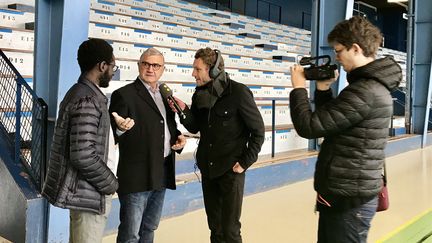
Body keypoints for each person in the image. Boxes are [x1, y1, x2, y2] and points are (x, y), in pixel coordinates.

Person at [289, 16, 402, 243]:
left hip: (349, 196)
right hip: (350, 189)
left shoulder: (364, 92)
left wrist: (298, 89)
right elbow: (331, 124)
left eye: (339, 51)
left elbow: (309, 126)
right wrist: (323, 91)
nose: (337, 57)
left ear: (356, 48)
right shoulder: (367, 87)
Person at [170, 47, 265, 243]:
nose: (193, 73)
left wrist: (245, 162)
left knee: (230, 231)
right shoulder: (200, 95)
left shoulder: (238, 93)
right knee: (215, 228)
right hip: (208, 169)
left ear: (212, 70)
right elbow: (195, 127)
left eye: (197, 69)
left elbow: (258, 132)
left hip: (231, 171)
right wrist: (183, 110)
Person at [41, 38, 119, 243]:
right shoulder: (87, 99)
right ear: (102, 66)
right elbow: (83, 154)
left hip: (88, 191)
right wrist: (110, 183)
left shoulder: (83, 94)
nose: (113, 71)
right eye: (112, 66)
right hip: (90, 194)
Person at [109, 47, 186, 243]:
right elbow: (112, 133)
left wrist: (178, 138)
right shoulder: (123, 95)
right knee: (130, 233)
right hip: (136, 177)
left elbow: (167, 127)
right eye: (146, 64)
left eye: (156, 65)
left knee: (149, 228)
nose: (150, 69)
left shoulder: (165, 95)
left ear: (163, 69)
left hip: (161, 172)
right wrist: (120, 129)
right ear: (139, 66)